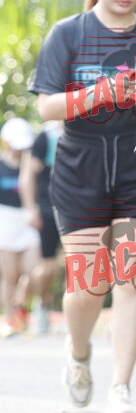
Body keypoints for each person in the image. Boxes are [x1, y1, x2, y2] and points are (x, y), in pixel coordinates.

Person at [29, 0, 136, 413]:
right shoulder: (69, 33)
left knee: (131, 277)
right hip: (79, 169)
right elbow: (46, 107)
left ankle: (121, 388)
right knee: (88, 286)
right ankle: (79, 351)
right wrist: (100, 93)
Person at [19, 120, 63, 332]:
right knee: (47, 266)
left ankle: (48, 307)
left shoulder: (89, 127)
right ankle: (25, 304)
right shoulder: (46, 135)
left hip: (77, 207)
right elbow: (28, 174)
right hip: (47, 209)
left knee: (72, 264)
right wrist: (30, 208)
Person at [0, 117, 40, 336]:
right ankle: (10, 319)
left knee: (34, 271)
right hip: (5, 219)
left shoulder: (33, 165)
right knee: (9, 275)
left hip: (27, 218)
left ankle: (21, 306)